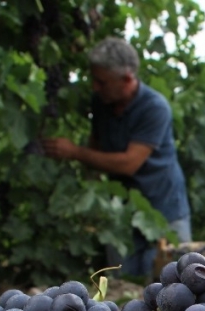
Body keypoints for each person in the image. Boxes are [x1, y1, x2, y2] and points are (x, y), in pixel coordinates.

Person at [42, 37, 191, 279]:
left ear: (127, 79)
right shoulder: (101, 103)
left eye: (102, 82)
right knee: (124, 286)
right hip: (121, 213)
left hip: (164, 211)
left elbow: (129, 163)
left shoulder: (155, 108)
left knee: (175, 284)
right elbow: (96, 145)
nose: (95, 87)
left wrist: (75, 152)